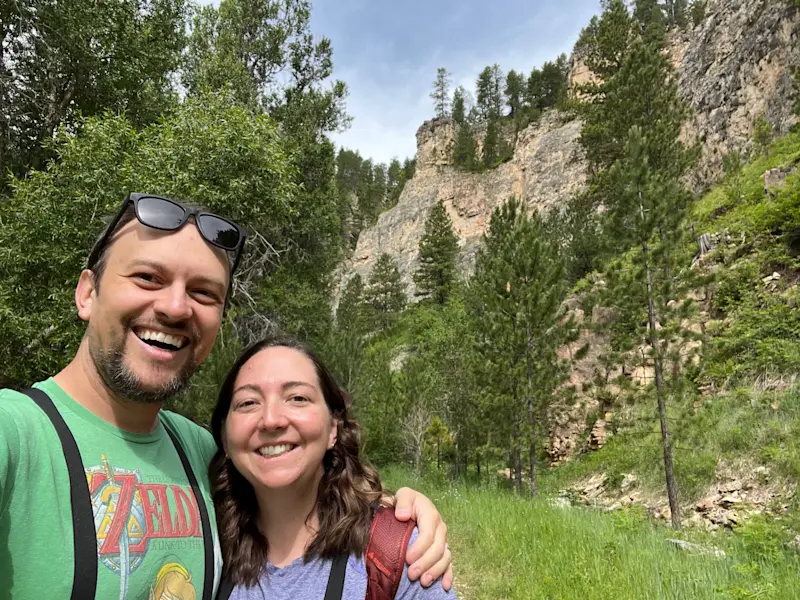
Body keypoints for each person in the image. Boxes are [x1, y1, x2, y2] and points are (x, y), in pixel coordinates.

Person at [0, 193, 453, 600]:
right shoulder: (14, 435)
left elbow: (294, 477)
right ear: (87, 293)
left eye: (203, 292)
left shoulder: (199, 451)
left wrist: (401, 517)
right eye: (147, 277)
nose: (176, 307)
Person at [209, 336, 457, 600]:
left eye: (297, 398)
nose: (271, 420)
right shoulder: (205, 546)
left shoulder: (397, 555)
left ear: (333, 429)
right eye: (248, 403)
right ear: (224, 437)